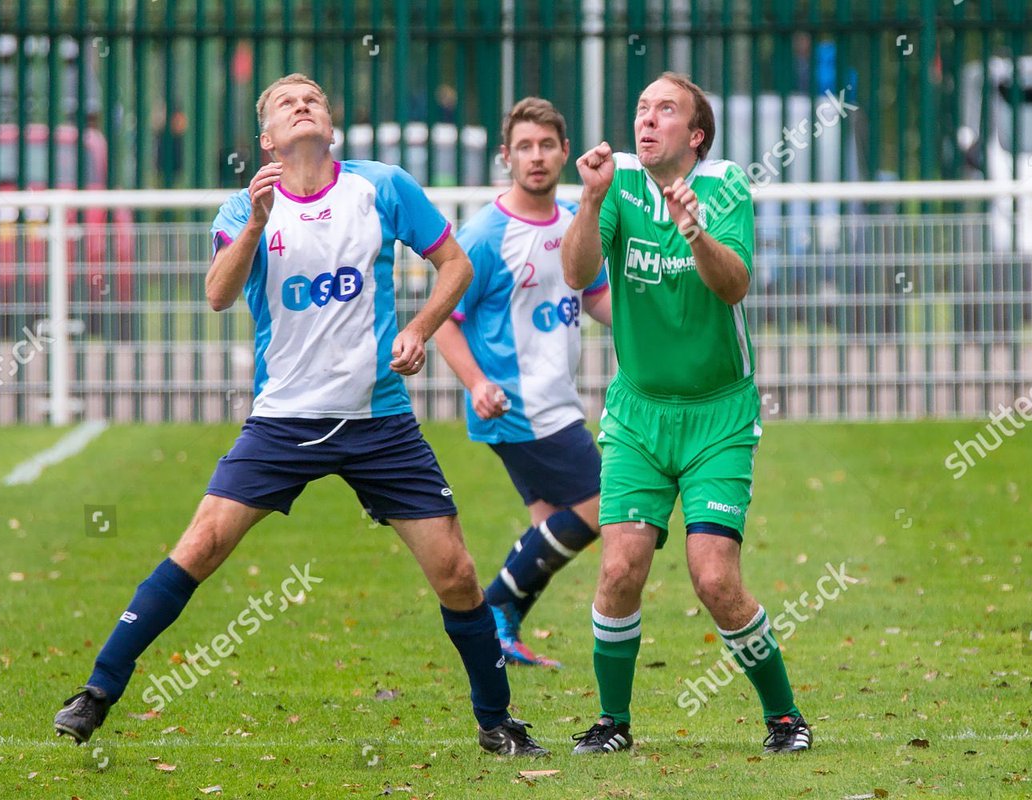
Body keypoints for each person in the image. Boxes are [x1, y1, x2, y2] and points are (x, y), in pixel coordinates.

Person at [53, 73, 548, 758]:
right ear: (268, 139)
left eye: (313, 98)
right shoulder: (245, 206)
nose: (303, 105)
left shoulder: (382, 186)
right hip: (284, 420)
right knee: (202, 544)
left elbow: (455, 266)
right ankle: (97, 691)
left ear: (330, 125)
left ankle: (497, 722)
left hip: (379, 422)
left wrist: (418, 330)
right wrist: (257, 224)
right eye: (287, 102)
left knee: (457, 573)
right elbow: (218, 294)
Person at [561, 72, 812, 755]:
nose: (646, 119)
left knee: (715, 578)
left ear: (696, 135)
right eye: (641, 107)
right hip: (638, 415)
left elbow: (734, 285)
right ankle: (613, 722)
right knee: (619, 570)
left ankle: (785, 717)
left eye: (665, 109)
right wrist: (589, 199)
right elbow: (576, 274)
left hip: (717, 416)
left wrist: (693, 231)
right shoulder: (616, 183)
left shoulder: (725, 185)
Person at [433, 98, 611, 668]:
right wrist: (477, 385)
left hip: (556, 399)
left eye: (547, 145)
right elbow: (443, 324)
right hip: (517, 405)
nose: (537, 157)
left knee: (549, 523)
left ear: (565, 151)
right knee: (605, 506)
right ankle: (492, 610)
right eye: (525, 147)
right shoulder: (485, 235)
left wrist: (657, 323)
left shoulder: (574, 220)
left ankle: (502, 633)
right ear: (506, 157)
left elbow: (596, 296)